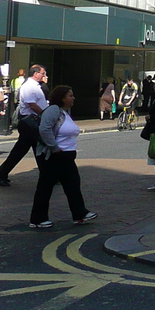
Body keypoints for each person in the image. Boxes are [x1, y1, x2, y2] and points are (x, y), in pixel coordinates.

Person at [29, 86, 96, 228]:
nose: (73, 98)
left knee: (72, 184)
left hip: (66, 157)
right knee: (45, 187)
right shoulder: (53, 110)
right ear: (62, 98)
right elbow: (44, 128)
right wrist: (54, 148)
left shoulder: (64, 112)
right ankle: (37, 220)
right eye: (70, 95)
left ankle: (80, 214)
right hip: (54, 156)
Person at [0, 64, 50, 187]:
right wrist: (45, 114)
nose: (44, 75)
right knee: (23, 151)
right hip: (29, 122)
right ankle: (1, 173)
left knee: (39, 149)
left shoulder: (36, 86)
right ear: (35, 74)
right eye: (43, 73)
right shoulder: (29, 86)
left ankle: (48, 175)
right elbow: (32, 104)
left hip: (34, 121)